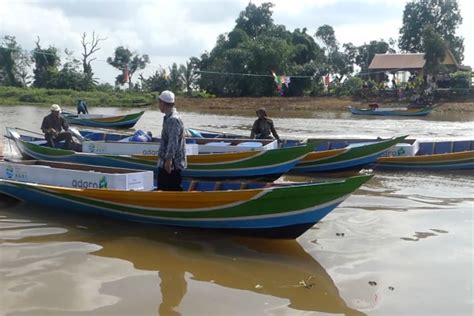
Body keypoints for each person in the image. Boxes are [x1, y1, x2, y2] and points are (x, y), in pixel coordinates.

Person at [157, 90, 186, 191]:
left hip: (172, 163)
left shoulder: (173, 119)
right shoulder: (168, 117)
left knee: (169, 189)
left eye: (159, 102)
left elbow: (173, 141)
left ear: (163, 103)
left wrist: (168, 160)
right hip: (168, 161)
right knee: (166, 188)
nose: (158, 105)